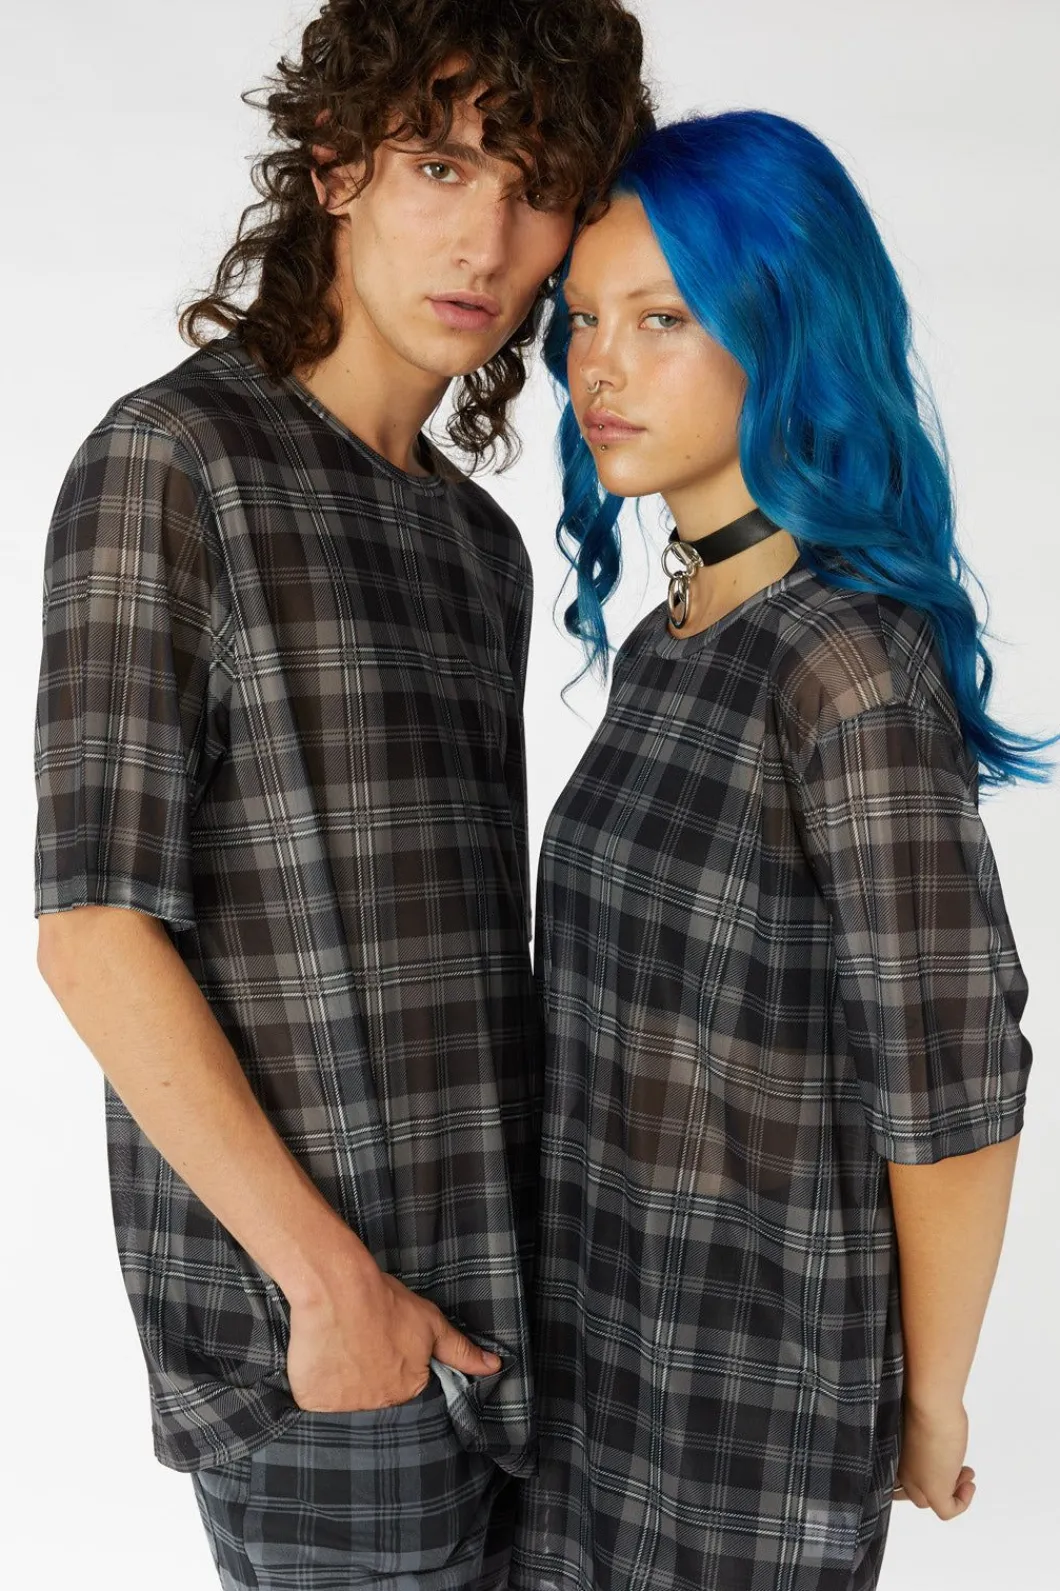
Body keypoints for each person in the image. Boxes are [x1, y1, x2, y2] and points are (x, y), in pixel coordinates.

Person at [32, 4, 652, 1587]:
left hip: (506, 1327)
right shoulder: (174, 461)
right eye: (441, 165)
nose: (486, 241)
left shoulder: (476, 546)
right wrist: (332, 1291)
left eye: (535, 189)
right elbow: (94, 932)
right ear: (333, 167)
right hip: (317, 1349)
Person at [512, 111, 1047, 1591]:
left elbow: (955, 1084)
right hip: (597, 1365)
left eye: (662, 319)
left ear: (787, 330)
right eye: (584, 319)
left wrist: (930, 1399)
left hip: (751, 1419)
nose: (599, 367)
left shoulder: (847, 664)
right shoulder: (671, 642)